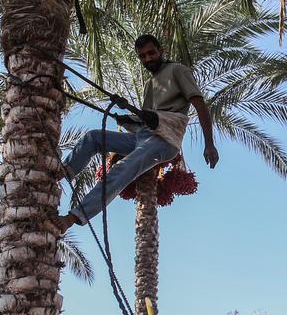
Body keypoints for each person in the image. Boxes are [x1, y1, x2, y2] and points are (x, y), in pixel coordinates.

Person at [54, 34, 217, 232]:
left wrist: (209, 143)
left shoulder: (178, 70)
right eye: (142, 56)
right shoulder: (150, 84)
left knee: (121, 169)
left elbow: (199, 104)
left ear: (161, 50)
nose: (148, 59)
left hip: (165, 140)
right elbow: (145, 120)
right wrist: (126, 115)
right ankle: (61, 174)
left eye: (151, 53)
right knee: (93, 137)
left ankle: (73, 218)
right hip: (142, 137)